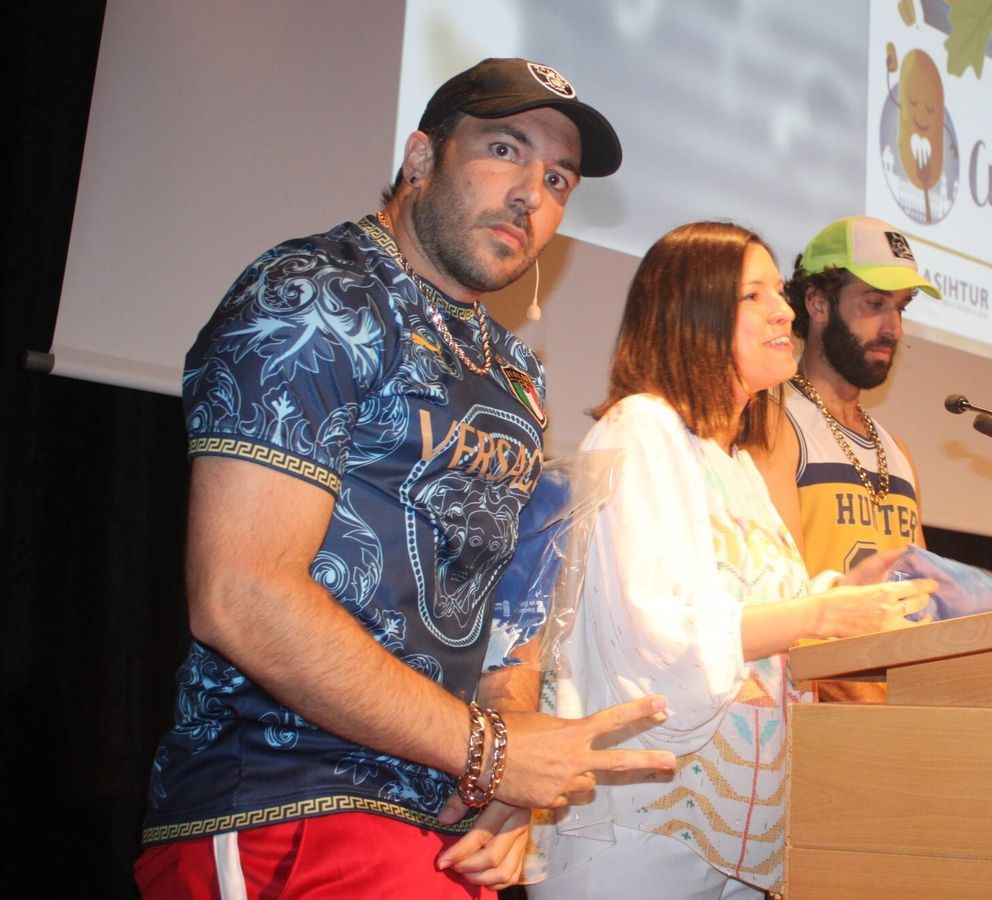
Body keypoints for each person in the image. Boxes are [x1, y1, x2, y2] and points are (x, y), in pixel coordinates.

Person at [135, 59, 676, 898]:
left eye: (558, 179)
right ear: (421, 158)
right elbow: (241, 592)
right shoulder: (316, 295)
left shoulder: (516, 377)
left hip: (445, 819)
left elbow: (505, 625)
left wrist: (508, 785)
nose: (531, 195)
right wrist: (493, 752)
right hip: (287, 804)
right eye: (505, 150)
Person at [528, 222, 935, 898]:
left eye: (779, 292)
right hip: (641, 828)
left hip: (736, 832)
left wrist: (842, 589)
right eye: (756, 295)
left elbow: (757, 608)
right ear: (692, 312)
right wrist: (824, 613)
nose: (784, 312)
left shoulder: (733, 462)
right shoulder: (642, 428)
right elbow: (658, 631)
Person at [750, 215, 942, 580]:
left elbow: (923, 591)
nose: (894, 329)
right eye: (875, 303)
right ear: (818, 303)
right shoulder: (773, 423)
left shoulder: (898, 454)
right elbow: (780, 589)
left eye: (901, 308)